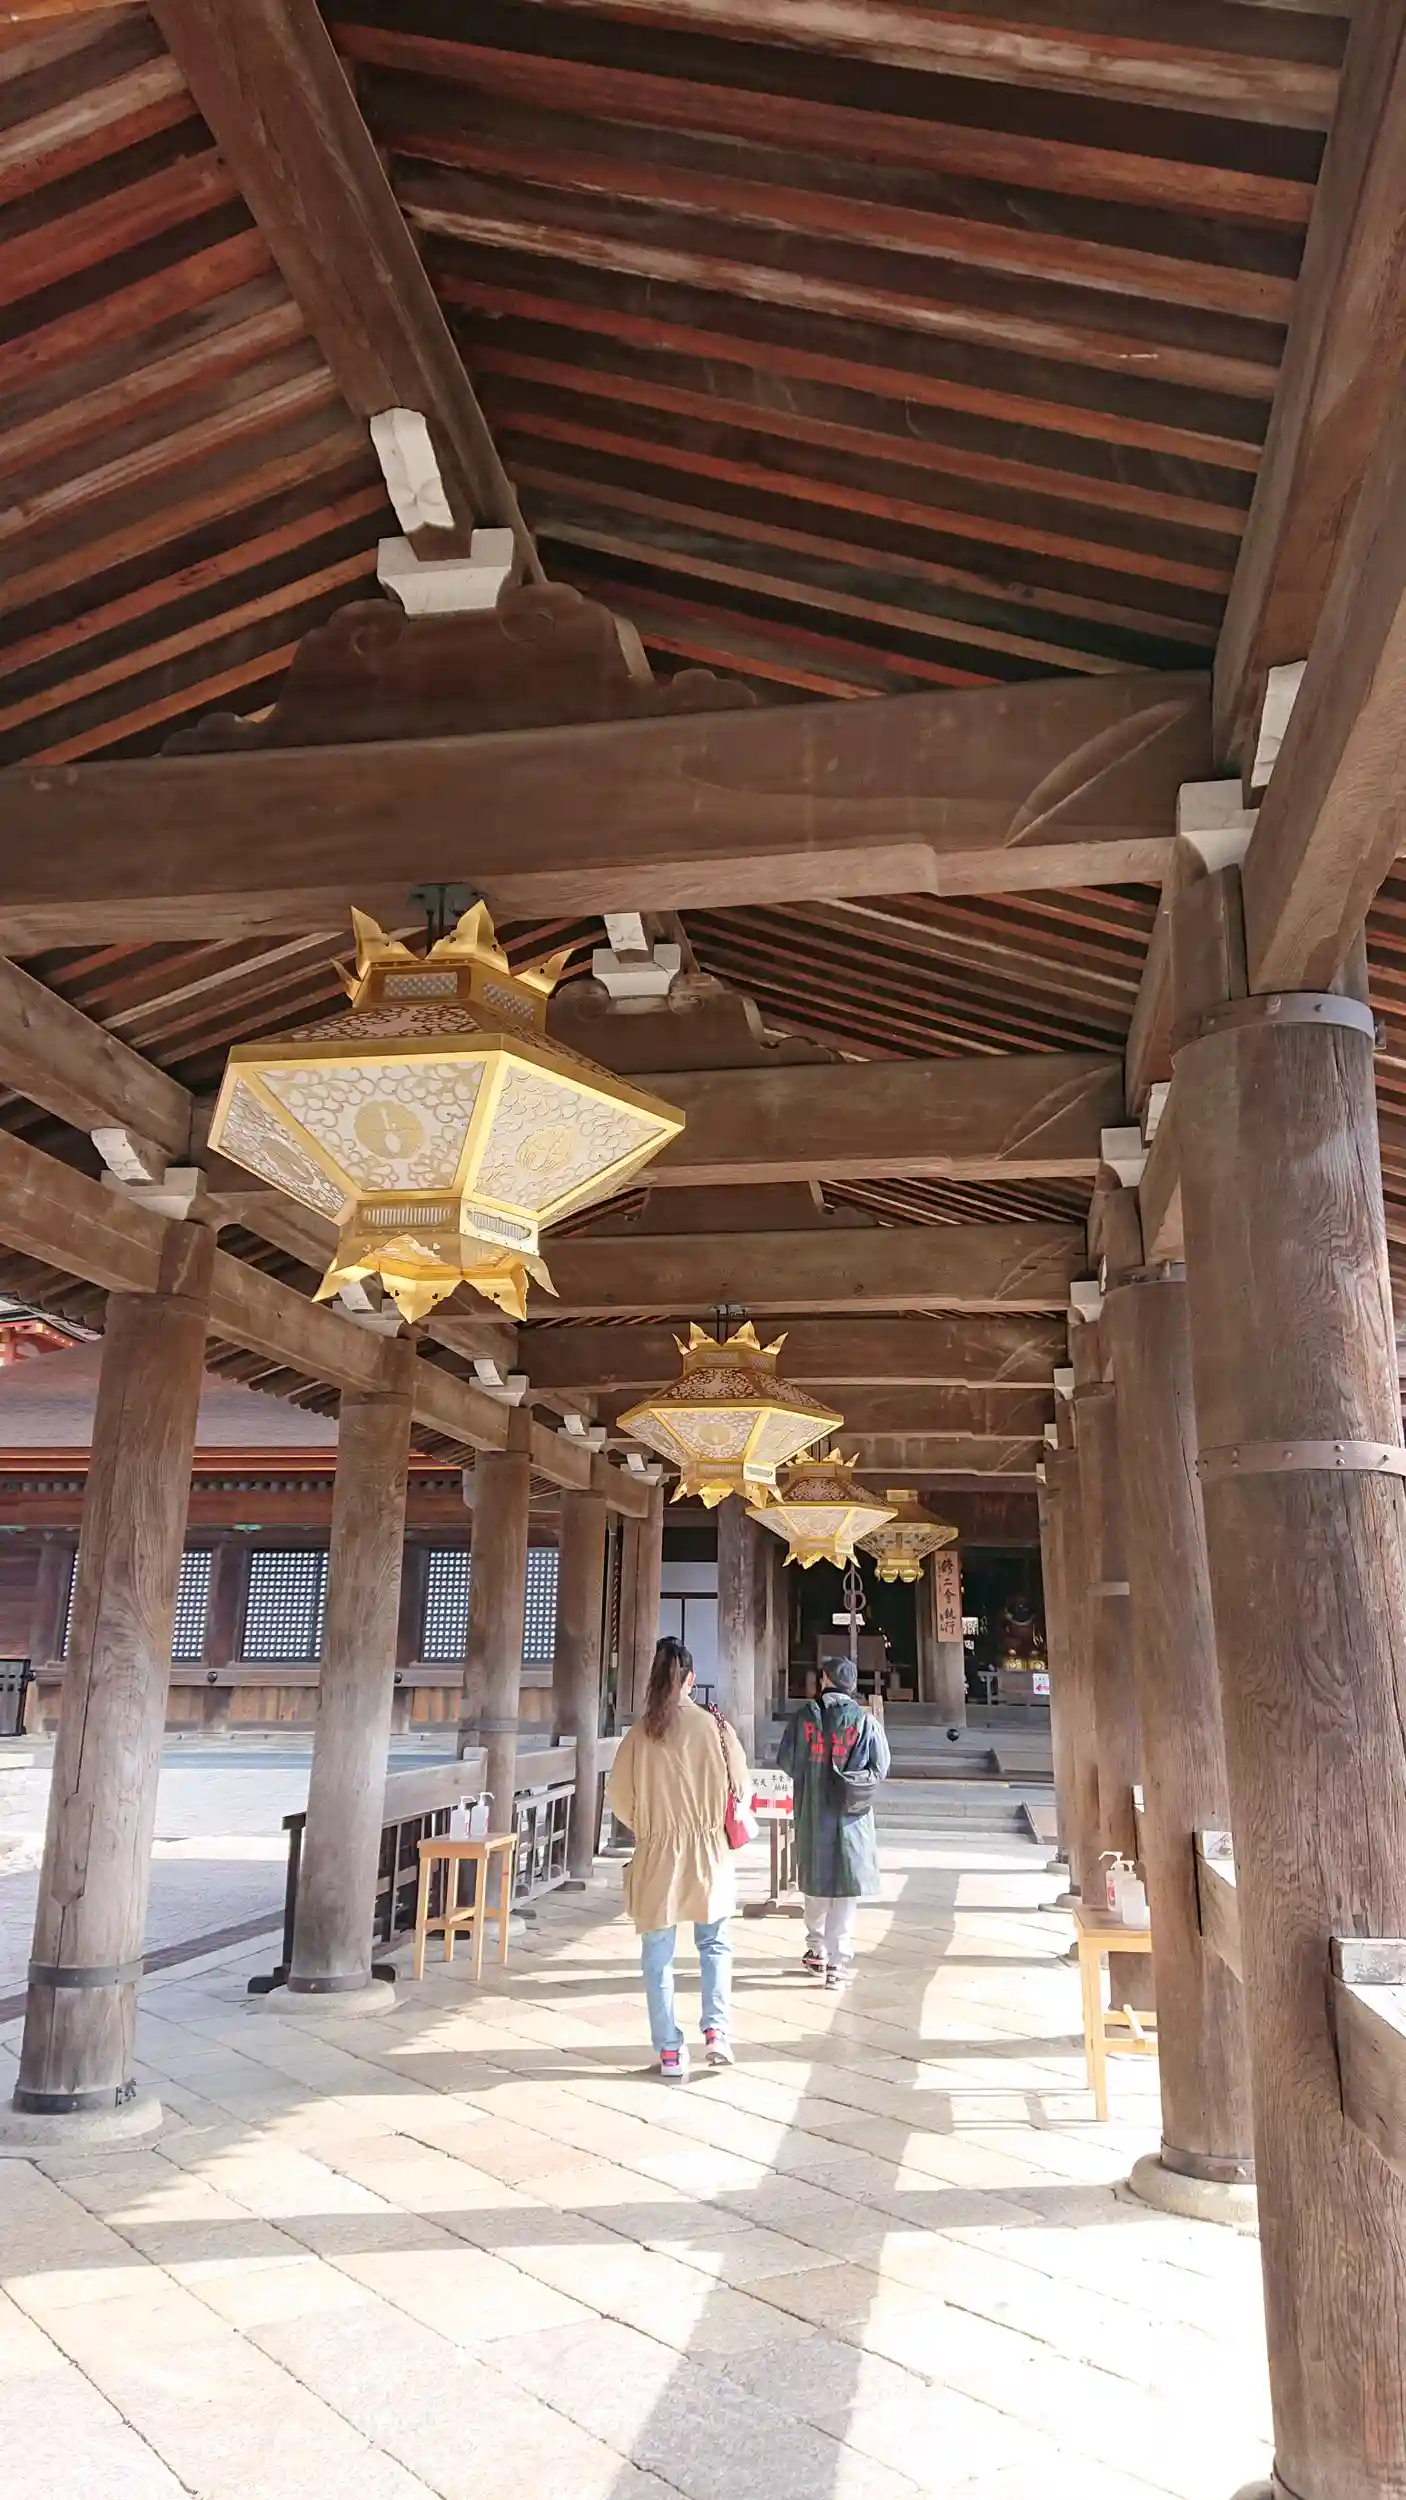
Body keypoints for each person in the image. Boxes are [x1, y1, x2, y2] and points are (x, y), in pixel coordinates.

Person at [607, 1635, 749, 2082]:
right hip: (708, 1852)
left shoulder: (639, 1734)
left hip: (658, 1854)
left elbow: (619, 1798)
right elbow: (741, 1787)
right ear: (691, 1679)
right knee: (714, 1944)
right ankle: (717, 2032)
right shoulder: (715, 1727)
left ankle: (670, 2050)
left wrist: (651, 1826)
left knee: (657, 1955)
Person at [777, 1653, 890, 1988]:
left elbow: (787, 1762)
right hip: (851, 1818)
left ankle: (816, 1949)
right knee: (845, 1888)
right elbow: (880, 1767)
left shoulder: (804, 1718)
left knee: (815, 1882)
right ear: (851, 1685)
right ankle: (837, 1964)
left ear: (825, 1680)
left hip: (813, 1813)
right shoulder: (865, 1721)